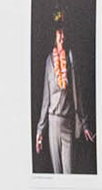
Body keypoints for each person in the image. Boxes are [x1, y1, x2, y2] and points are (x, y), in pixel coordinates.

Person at [35, 18, 83, 174]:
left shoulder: (70, 58)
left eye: (63, 32)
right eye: (59, 33)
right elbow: (46, 98)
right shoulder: (49, 61)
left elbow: (77, 92)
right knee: (57, 174)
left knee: (68, 172)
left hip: (68, 123)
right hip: (53, 122)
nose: (62, 36)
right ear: (54, 36)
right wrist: (40, 131)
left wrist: (84, 122)